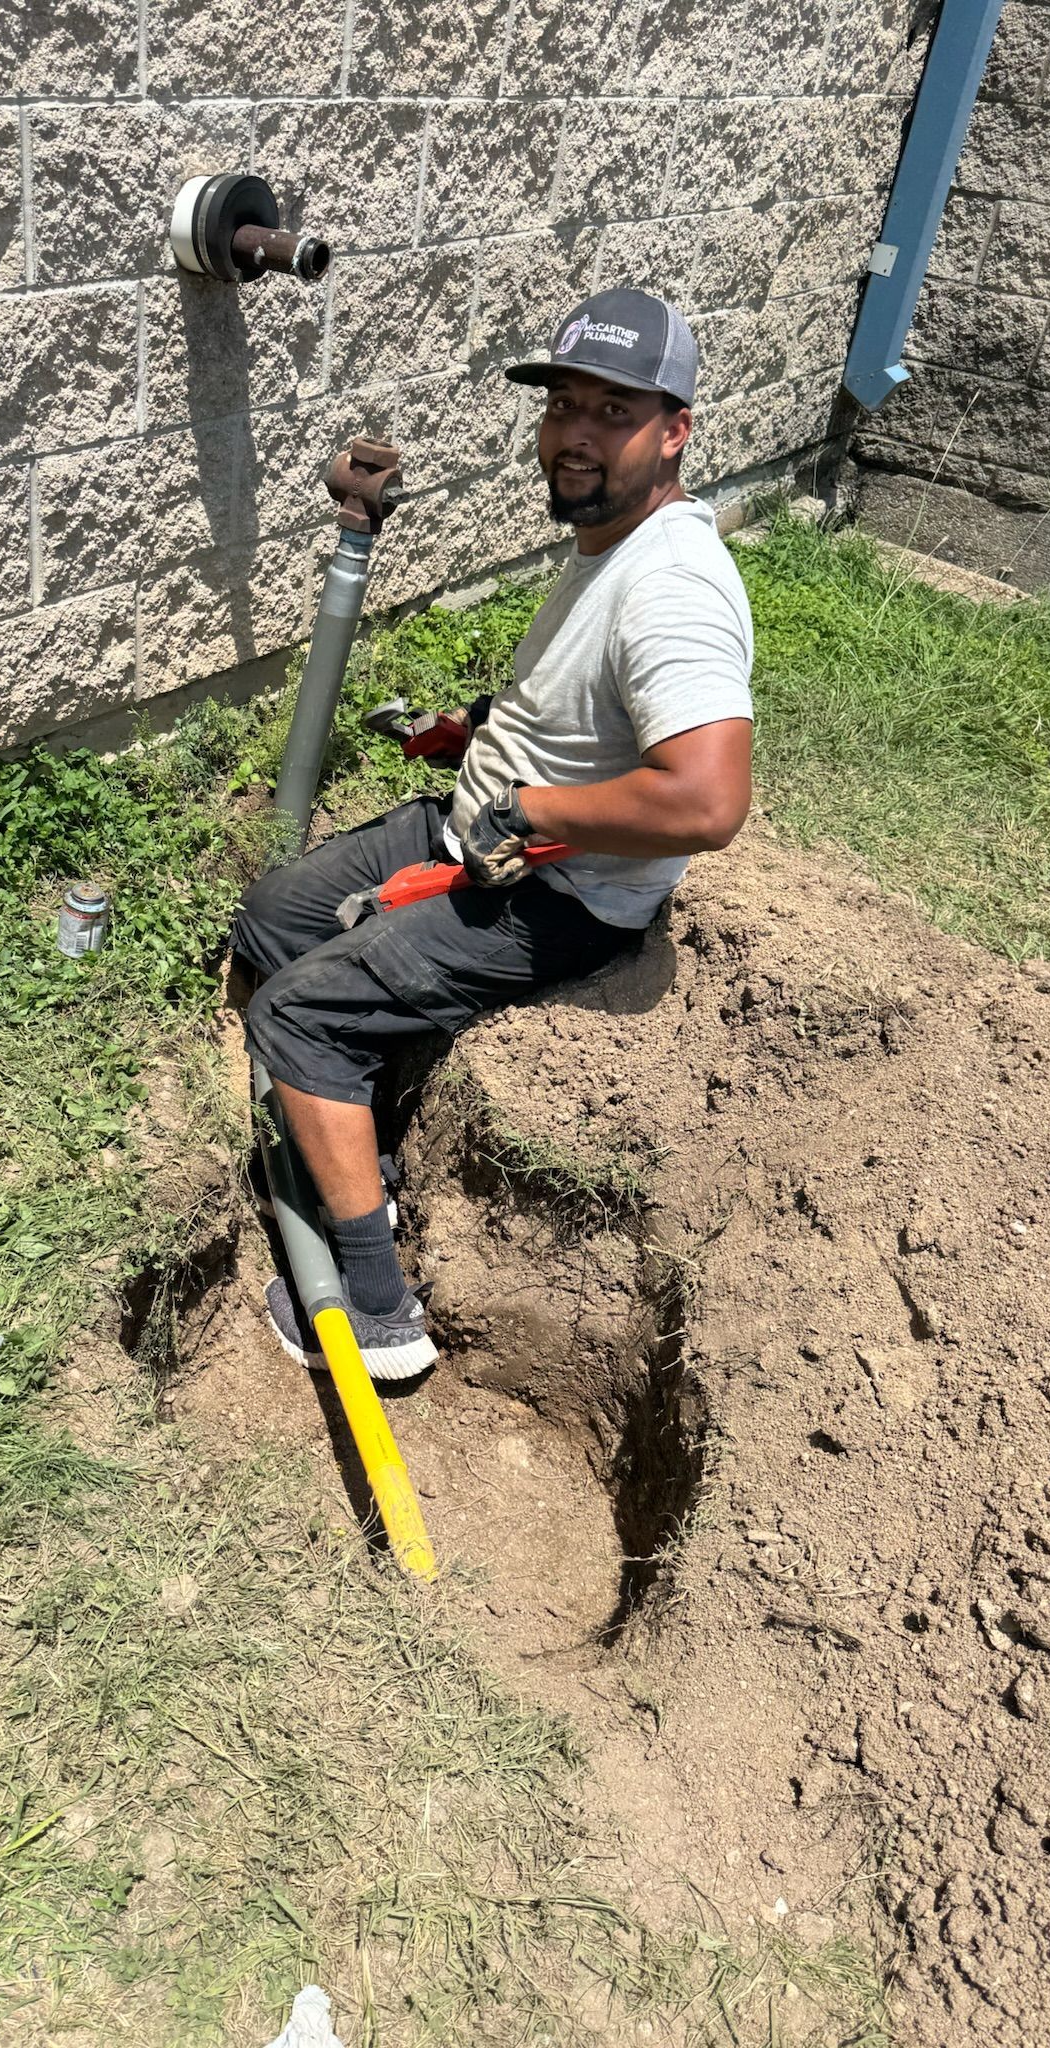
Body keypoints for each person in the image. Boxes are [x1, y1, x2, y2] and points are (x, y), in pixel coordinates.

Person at [232, 287, 755, 1380]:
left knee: (293, 1014)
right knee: (277, 915)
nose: (576, 431)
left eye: (615, 410)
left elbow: (707, 800)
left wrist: (538, 811)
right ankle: (356, 1121)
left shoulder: (672, 586)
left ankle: (376, 1309)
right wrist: (466, 734)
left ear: (676, 431)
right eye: (563, 402)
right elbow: (583, 718)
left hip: (559, 892)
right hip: (485, 823)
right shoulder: (611, 542)